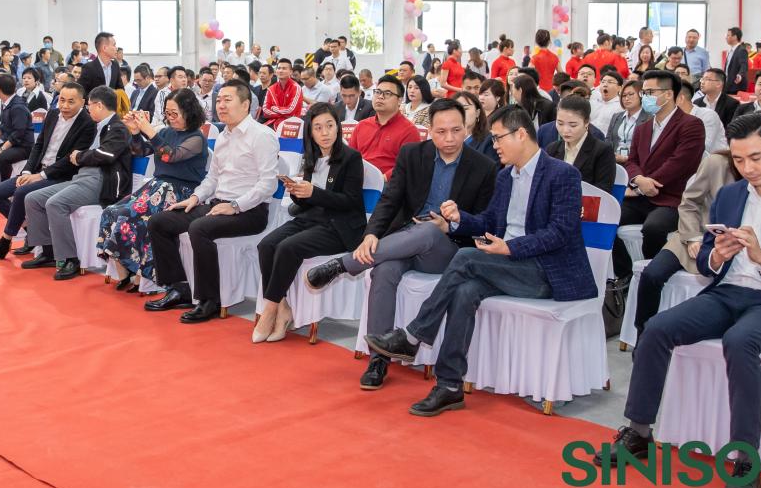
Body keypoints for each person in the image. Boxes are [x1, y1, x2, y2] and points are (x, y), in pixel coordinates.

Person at [598, 112, 761, 488]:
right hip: (728, 293)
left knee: (740, 341)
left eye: (756, 158)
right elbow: (709, 259)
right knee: (657, 328)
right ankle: (638, 431)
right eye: (740, 160)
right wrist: (716, 257)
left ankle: (746, 460)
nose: (748, 168)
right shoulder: (731, 195)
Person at [363, 104, 596, 416]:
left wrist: (510, 248)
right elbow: (489, 221)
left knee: (466, 258)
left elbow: (560, 233)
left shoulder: (563, 174)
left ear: (521, 134)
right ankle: (449, 385)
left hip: (547, 272)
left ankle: (414, 334)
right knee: (464, 291)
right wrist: (457, 221)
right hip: (508, 266)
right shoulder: (506, 177)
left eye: (498, 138)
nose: (494, 145)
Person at [306, 99, 497, 390]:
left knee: (430, 231)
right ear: (429, 130)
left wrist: (452, 224)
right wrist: (371, 234)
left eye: (456, 130)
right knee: (382, 271)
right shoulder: (412, 154)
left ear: (466, 128)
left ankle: (343, 264)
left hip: (447, 249)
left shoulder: (484, 167)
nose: (449, 138)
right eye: (441, 131)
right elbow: (390, 199)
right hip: (403, 240)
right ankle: (378, 359)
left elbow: (485, 223)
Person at [144, 80, 280, 323]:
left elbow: (267, 184)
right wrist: (194, 198)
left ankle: (209, 300)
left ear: (245, 104)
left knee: (199, 228)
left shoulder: (262, 136)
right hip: (217, 204)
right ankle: (179, 288)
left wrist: (235, 206)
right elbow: (212, 178)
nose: (221, 105)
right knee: (159, 222)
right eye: (219, 100)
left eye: (228, 100)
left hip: (250, 211)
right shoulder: (225, 136)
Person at [252, 103, 367, 343]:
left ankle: (270, 309)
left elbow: (350, 201)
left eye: (330, 126)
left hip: (339, 226)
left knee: (288, 248)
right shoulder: (311, 156)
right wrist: (296, 191)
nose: (325, 133)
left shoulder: (351, 158)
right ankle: (283, 306)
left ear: (338, 127)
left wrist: (314, 192)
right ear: (311, 132)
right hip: (311, 218)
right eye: (318, 128)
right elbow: (306, 202)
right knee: (266, 245)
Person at [98, 90, 210, 289]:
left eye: (175, 113)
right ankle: (125, 268)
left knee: (130, 216)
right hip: (156, 186)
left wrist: (150, 131)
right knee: (111, 211)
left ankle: (142, 271)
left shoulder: (196, 138)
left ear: (189, 111)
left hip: (179, 191)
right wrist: (135, 132)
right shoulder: (166, 132)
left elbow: (170, 156)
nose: (170, 118)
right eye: (167, 113)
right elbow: (141, 151)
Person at [20, 86, 132, 280]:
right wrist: (79, 157)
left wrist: (80, 156)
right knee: (32, 198)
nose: (88, 110)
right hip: (81, 177)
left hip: (101, 181)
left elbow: (106, 155)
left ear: (99, 105)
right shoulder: (97, 125)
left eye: (90, 106)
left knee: (55, 204)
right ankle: (48, 251)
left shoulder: (118, 127)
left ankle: (70, 258)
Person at [0, 82, 96, 262]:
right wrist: (27, 171)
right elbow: (38, 146)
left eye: (71, 102)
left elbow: (70, 160)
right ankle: (30, 231)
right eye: (62, 100)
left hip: (61, 176)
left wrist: (40, 176)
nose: (65, 105)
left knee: (21, 192)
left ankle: (4, 241)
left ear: (82, 102)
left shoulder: (87, 123)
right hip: (37, 170)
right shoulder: (53, 114)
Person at [632, 150, 740, 337]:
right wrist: (693, 237)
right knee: (652, 274)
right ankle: (643, 335)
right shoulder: (716, 163)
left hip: (731, 247)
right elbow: (689, 202)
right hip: (693, 235)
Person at [612, 70, 707, 279]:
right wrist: (638, 180)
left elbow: (681, 162)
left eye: (649, 92)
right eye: (643, 93)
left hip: (672, 198)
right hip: (641, 196)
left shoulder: (691, 124)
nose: (644, 97)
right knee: (607, 218)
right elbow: (632, 161)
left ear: (668, 94)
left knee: (654, 229)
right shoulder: (643, 128)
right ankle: (625, 275)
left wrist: (650, 183)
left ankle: (654, 276)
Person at [349, 73, 421, 179]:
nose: (380, 97)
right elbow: (350, 157)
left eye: (387, 93)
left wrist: (381, 179)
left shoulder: (409, 131)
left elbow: (407, 165)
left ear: (399, 100)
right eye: (377, 92)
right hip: (358, 180)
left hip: (389, 183)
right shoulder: (361, 125)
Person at [545, 95, 615, 193]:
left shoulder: (602, 151)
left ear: (586, 122)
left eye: (573, 125)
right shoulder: (552, 148)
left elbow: (603, 191)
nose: (565, 130)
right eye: (560, 123)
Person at [677, 79, 726, 154]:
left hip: (713, 159)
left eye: (668, 96)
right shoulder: (671, 118)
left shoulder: (707, 116)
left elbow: (701, 149)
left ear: (680, 99)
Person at [607, 80, 646, 164]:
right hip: (614, 162)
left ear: (641, 95)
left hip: (636, 163)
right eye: (623, 95)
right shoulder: (616, 116)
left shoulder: (649, 118)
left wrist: (626, 159)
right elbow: (608, 140)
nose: (626, 98)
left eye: (631, 94)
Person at [456, 90, 499, 165]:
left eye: (465, 109)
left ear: (477, 113)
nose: (461, 113)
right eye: (456, 110)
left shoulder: (489, 141)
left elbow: (491, 170)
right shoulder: (446, 140)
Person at [261, 58, 304, 129]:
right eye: (279, 68)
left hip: (292, 126)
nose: (281, 70)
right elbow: (265, 110)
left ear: (291, 72)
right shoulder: (271, 88)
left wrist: (274, 108)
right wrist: (281, 115)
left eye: (284, 68)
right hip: (273, 123)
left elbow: (290, 110)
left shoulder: (296, 88)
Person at [723, 27, 749, 95]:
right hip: (728, 85)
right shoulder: (731, 51)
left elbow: (744, 65)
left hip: (736, 86)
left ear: (734, 37)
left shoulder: (741, 50)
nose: (726, 37)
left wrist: (740, 75)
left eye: (728, 35)